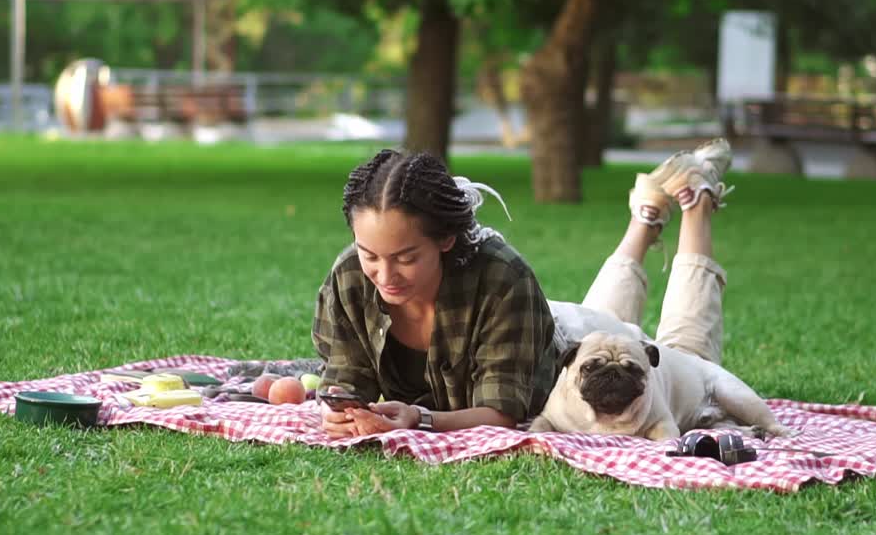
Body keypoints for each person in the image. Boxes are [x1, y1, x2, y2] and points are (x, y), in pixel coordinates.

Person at [313, 141, 734, 438]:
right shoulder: (350, 275)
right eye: (370, 254)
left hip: (560, 338)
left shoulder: (503, 277)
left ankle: (696, 202)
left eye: (405, 258)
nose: (384, 274)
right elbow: (345, 380)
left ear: (446, 239)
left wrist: (421, 420)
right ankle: (644, 218)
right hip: (559, 335)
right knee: (607, 327)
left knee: (689, 360)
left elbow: (502, 414)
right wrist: (344, 410)